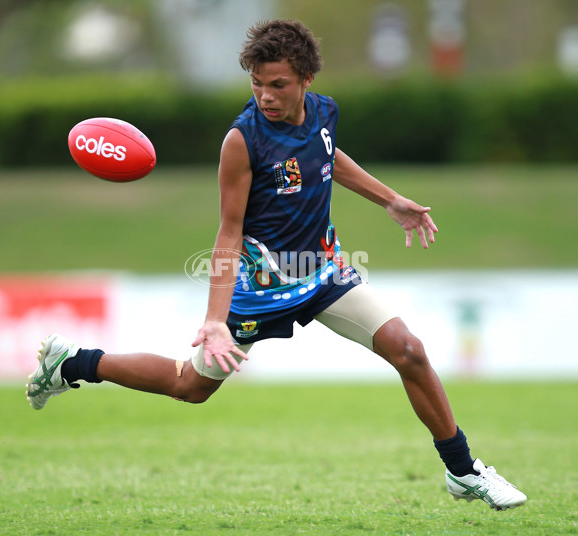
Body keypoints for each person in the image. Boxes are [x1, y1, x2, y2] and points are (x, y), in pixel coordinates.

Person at [26, 19, 526, 511]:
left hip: (323, 270)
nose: (266, 95)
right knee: (190, 387)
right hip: (260, 287)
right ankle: (75, 362)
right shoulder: (242, 141)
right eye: (257, 83)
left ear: (306, 80)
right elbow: (228, 232)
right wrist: (216, 322)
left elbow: (328, 156)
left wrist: (389, 199)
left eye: (278, 84)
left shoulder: (324, 112)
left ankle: (463, 470)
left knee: (409, 350)